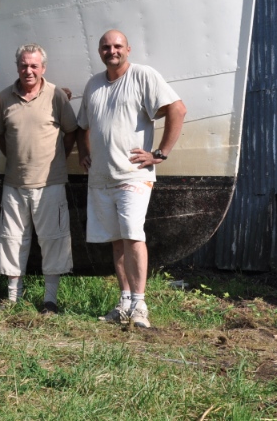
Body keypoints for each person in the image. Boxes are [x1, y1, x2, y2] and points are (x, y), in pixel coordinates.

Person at [76, 29, 187, 328]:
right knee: (116, 241)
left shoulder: (142, 75)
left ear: (128, 49)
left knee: (134, 236)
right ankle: (124, 302)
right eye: (106, 47)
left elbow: (177, 109)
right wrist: (84, 151)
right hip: (101, 178)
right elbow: (82, 125)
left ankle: (140, 305)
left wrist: (160, 153)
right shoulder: (93, 84)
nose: (111, 51)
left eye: (117, 46)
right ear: (99, 51)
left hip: (132, 175)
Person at [0, 44, 78, 314]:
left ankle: (50, 301)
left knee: (53, 240)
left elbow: (71, 131)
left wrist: (55, 159)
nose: (28, 70)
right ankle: (12, 298)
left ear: (43, 68)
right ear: (17, 66)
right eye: (23, 65)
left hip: (50, 182)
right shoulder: (4, 98)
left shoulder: (56, 95)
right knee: (12, 239)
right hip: (14, 182)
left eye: (34, 66)